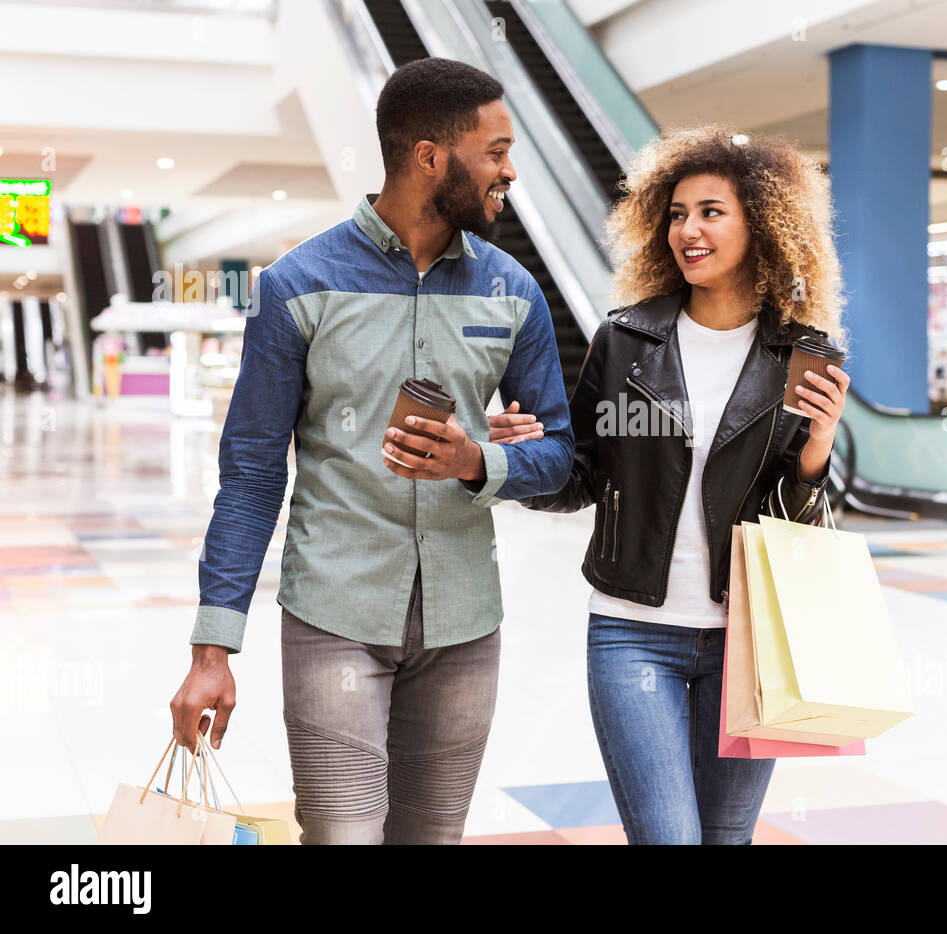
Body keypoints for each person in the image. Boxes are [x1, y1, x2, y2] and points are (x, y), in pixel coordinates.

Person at [169, 58, 575, 844]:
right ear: (430, 158)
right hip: (334, 617)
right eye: (494, 152)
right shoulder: (298, 285)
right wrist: (212, 647)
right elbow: (252, 474)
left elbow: (559, 456)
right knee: (344, 836)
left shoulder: (513, 292)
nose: (509, 172)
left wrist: (477, 461)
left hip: (464, 625)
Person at [496, 127, 849, 844]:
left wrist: (816, 450)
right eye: (679, 212)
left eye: (712, 211)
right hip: (633, 633)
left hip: (750, 642)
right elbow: (583, 479)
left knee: (727, 837)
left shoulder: (803, 355)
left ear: (764, 223)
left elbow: (795, 525)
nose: (689, 229)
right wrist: (525, 461)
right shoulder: (628, 341)